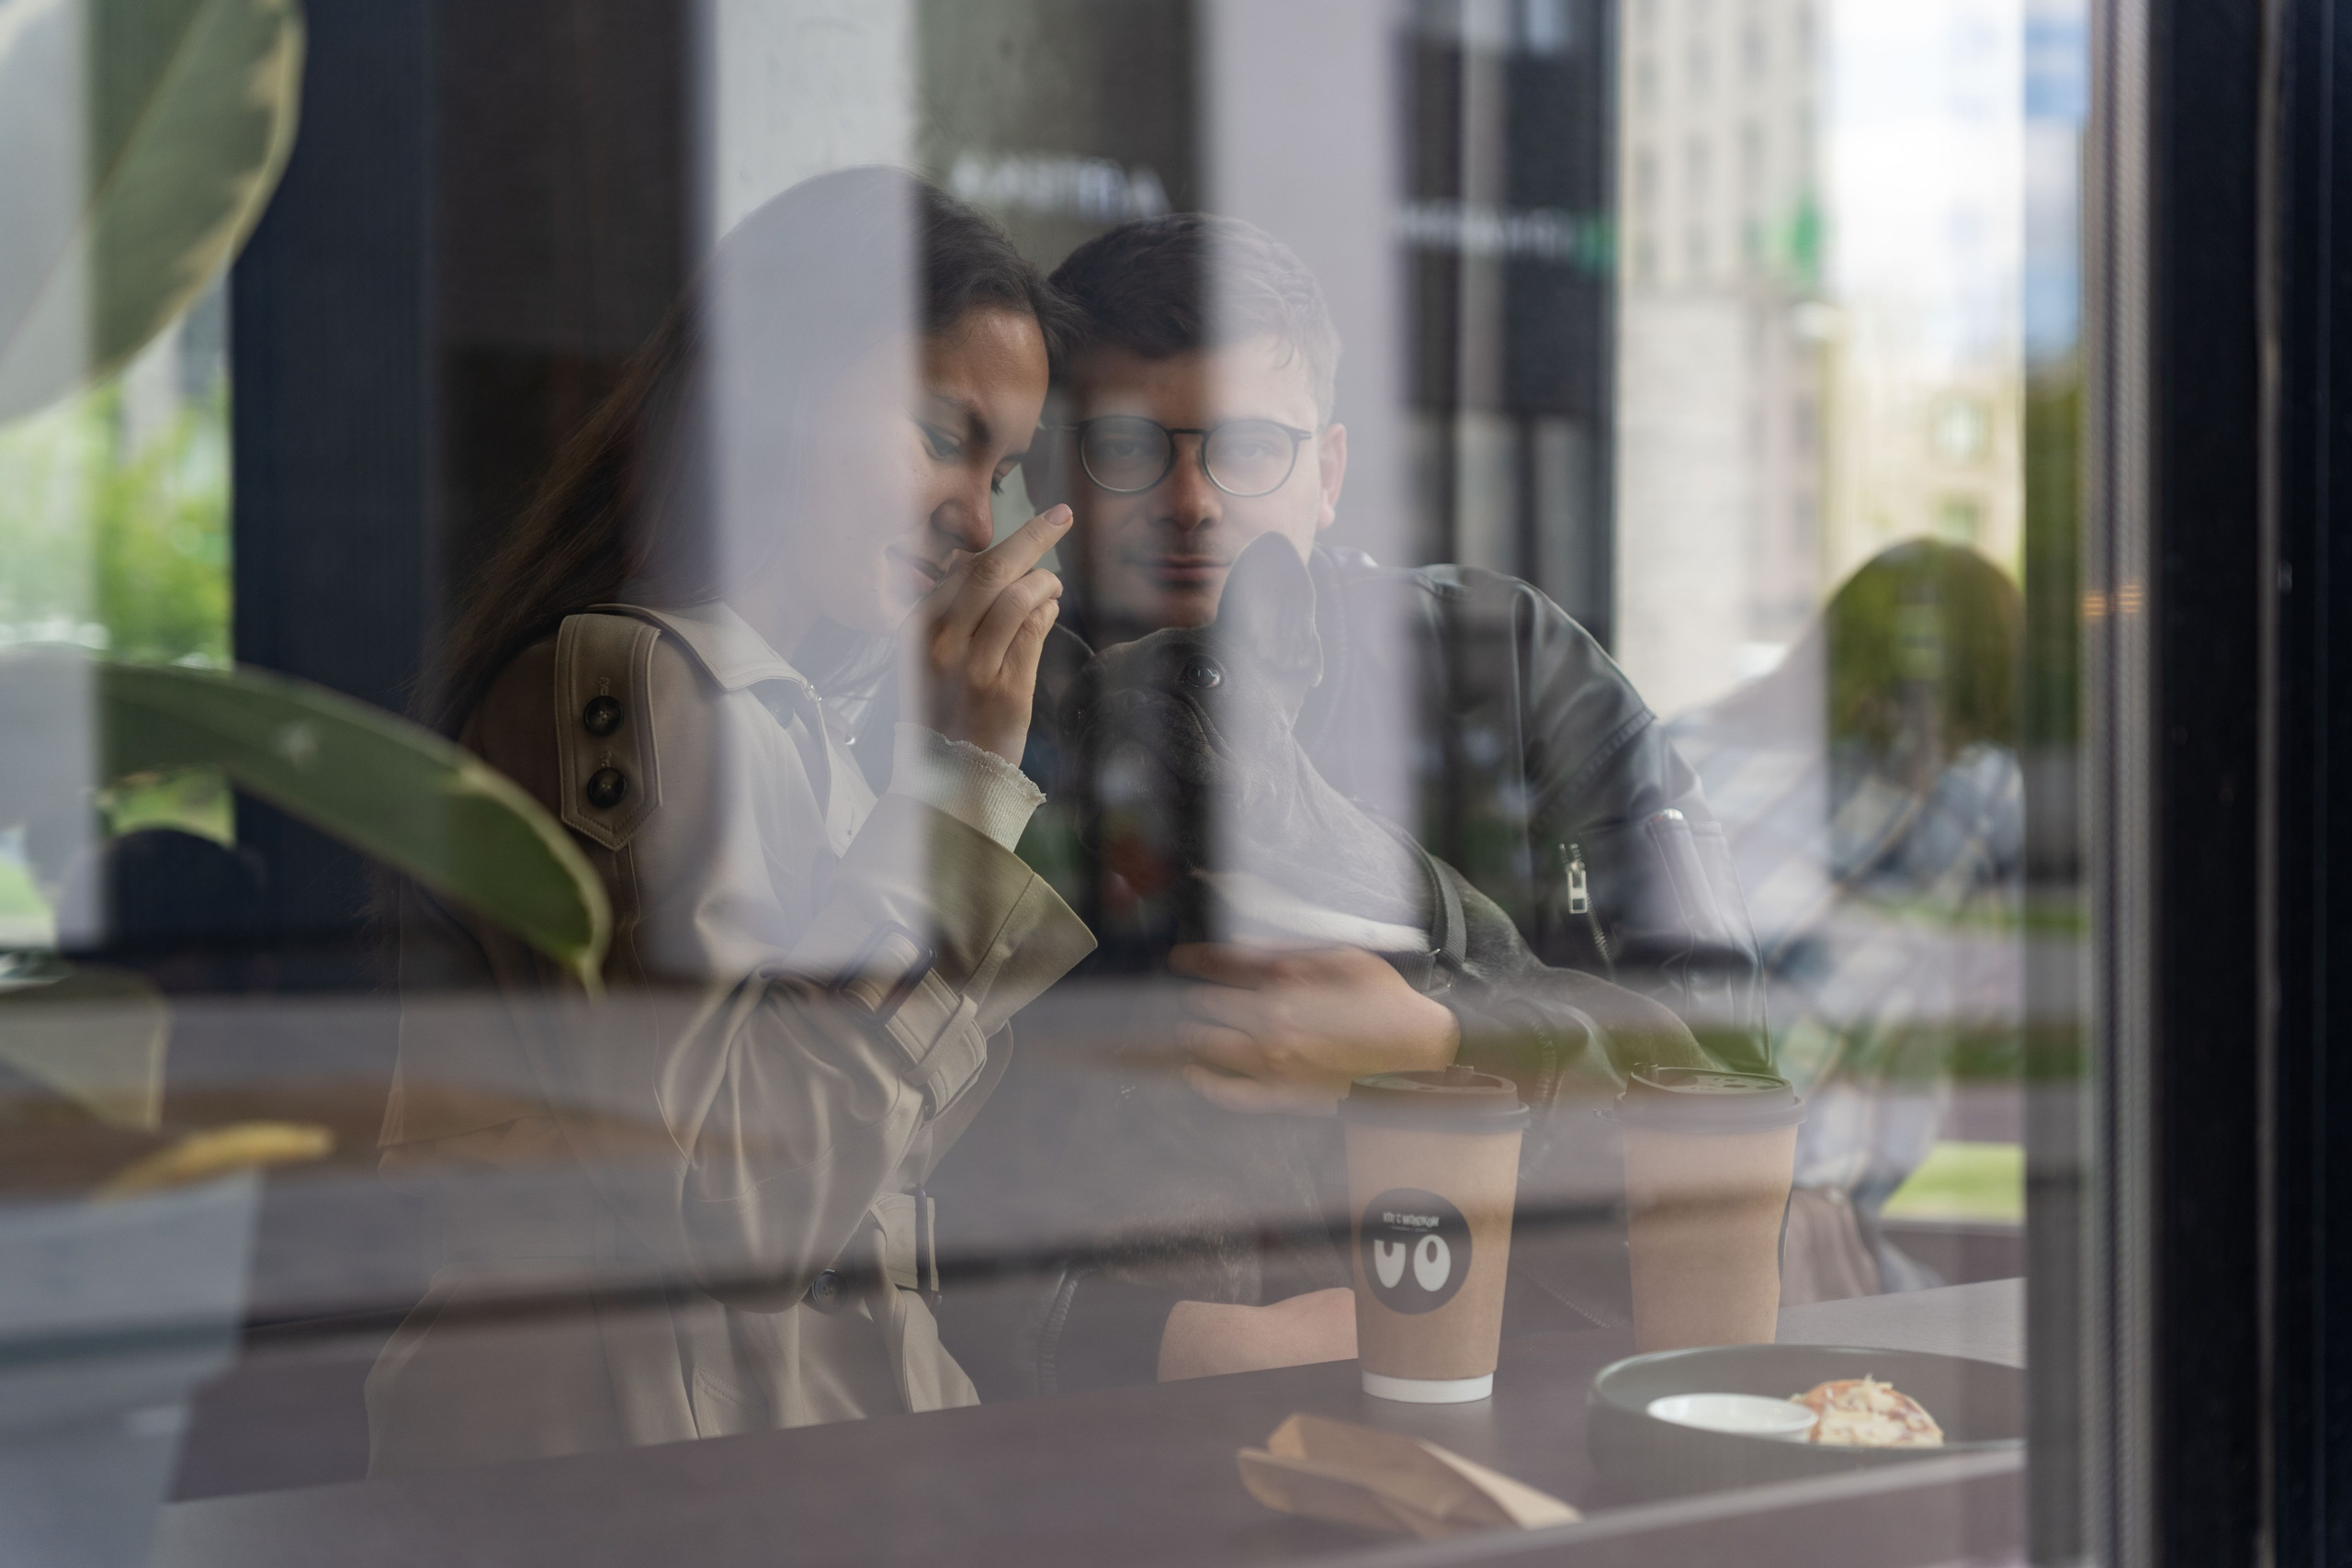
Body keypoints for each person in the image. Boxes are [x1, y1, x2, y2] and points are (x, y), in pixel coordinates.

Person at [934, 214, 1766, 1392]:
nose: (1191, 499)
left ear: (1327, 474)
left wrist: (1443, 1046)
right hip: (1106, 1442)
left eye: (1250, 449)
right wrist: (1130, 1339)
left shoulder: (1505, 667)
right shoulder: (976, 719)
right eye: (1128, 445)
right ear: (1054, 467)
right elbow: (875, 1160)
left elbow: (1735, 1075)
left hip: (1533, 1382)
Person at [366, 168, 1095, 1472]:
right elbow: (738, 1200)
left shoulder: (800, 723)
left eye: (1004, 467)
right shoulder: (638, 682)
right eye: (940, 432)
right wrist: (961, 786)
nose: (976, 517)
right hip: (663, 1493)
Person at [1667, 539, 2023, 1303]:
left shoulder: (1682, 744)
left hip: (1616, 1192)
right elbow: (2011, 1017)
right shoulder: (1976, 789)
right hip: (1781, 1225)